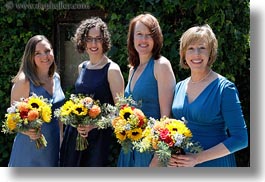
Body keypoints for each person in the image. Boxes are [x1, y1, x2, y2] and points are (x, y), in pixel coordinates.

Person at [170, 24, 248, 167]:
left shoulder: (224, 88)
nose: (196, 54)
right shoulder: (179, 86)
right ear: (183, 54)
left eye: (202, 48)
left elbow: (241, 139)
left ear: (210, 52)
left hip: (215, 164)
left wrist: (197, 158)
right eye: (191, 48)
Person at [59, 17, 124, 167]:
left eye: (98, 39)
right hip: (75, 135)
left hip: (98, 140)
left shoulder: (112, 69)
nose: (93, 44)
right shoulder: (82, 67)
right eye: (89, 39)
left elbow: (120, 111)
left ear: (104, 41)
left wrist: (94, 125)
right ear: (83, 41)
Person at [117, 13, 176, 167]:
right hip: (129, 148)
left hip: (150, 151)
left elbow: (166, 117)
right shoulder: (133, 69)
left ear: (156, 38)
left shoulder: (161, 65)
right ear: (132, 38)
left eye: (149, 35)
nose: (143, 40)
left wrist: (157, 159)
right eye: (139, 34)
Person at [8, 35, 65, 167]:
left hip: (53, 146)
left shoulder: (56, 77)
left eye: (47, 51)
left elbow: (59, 115)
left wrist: (61, 140)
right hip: (30, 149)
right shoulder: (24, 81)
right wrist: (27, 131)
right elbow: (12, 120)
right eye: (37, 53)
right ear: (30, 57)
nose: (45, 56)